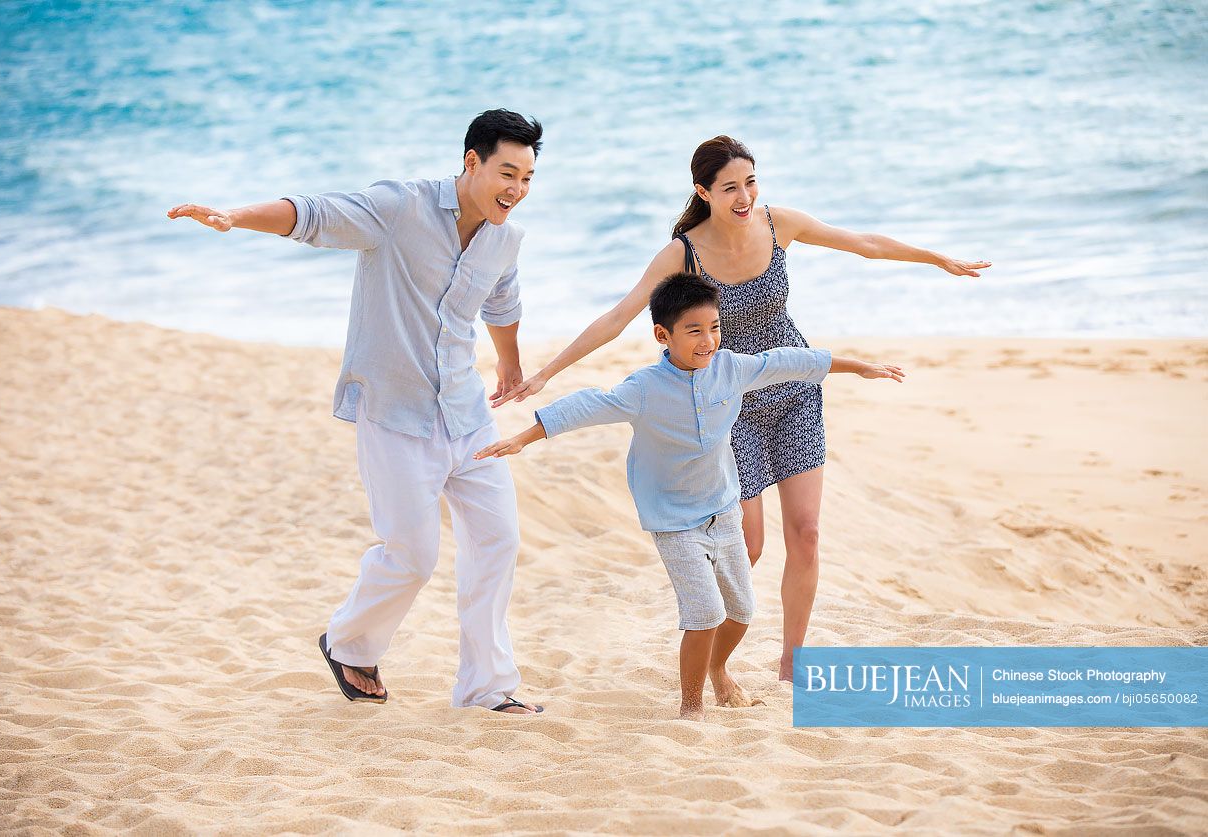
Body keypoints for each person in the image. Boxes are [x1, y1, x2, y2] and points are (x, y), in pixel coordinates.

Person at [493, 136, 990, 681]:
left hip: (794, 388)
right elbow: (617, 317)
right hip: (729, 405)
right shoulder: (685, 253)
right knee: (747, 544)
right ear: (703, 192)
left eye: (750, 183)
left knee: (807, 533)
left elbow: (864, 242)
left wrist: (938, 259)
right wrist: (544, 373)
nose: (744, 196)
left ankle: (791, 659)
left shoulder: (779, 224)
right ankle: (711, 652)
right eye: (730, 187)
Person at [166, 109, 546, 714]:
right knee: (412, 556)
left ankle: (487, 690)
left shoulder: (506, 237)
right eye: (507, 173)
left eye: (527, 178)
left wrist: (510, 366)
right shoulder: (401, 209)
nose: (516, 191)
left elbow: (503, 300)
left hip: (467, 413)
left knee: (498, 541)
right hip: (395, 413)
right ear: (471, 162)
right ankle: (348, 643)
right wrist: (236, 217)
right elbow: (317, 214)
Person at [475, 272, 903, 719]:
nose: (708, 340)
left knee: (740, 611)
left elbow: (788, 361)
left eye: (714, 327)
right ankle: (690, 706)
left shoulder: (732, 369)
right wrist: (525, 437)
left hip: (723, 510)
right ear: (663, 335)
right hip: (673, 520)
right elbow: (589, 405)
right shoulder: (644, 389)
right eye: (694, 331)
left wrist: (857, 367)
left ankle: (719, 672)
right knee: (704, 615)